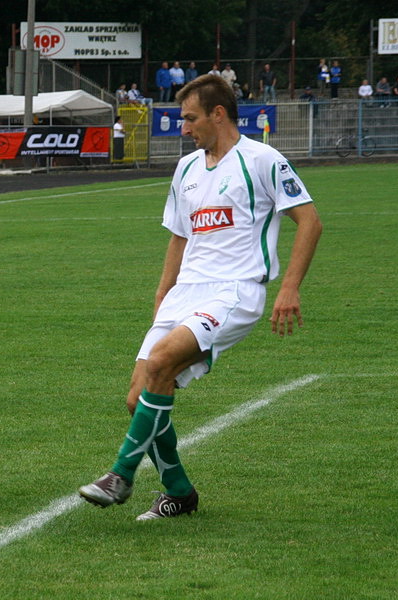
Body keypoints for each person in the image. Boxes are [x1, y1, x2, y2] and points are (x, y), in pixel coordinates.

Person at [78, 74, 322, 521]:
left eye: (190, 119)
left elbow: (310, 221)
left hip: (235, 290)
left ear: (218, 113)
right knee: (139, 398)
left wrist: (289, 287)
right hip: (184, 293)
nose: (184, 129)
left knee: (161, 363)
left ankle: (120, 475)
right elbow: (179, 238)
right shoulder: (187, 169)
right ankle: (180, 492)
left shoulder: (262, 160)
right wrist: (161, 296)